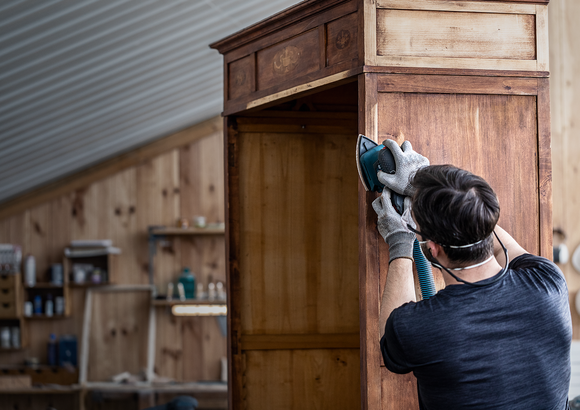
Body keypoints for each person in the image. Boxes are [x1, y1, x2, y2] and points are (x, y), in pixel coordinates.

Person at [372, 139, 572, 410]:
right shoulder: (548, 282)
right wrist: (430, 191)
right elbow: (484, 226)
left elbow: (390, 339)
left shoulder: (419, 326)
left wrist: (399, 239)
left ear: (433, 248)